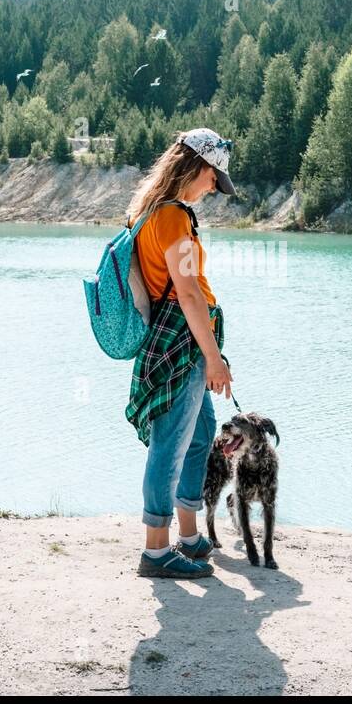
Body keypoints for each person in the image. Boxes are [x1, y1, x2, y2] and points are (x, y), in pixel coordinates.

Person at [124, 128, 236, 578]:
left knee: (200, 430)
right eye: (213, 177)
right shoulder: (172, 217)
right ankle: (156, 550)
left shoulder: (157, 211)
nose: (214, 187)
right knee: (171, 443)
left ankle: (188, 536)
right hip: (183, 342)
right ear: (195, 166)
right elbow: (188, 294)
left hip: (178, 339)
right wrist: (213, 358)